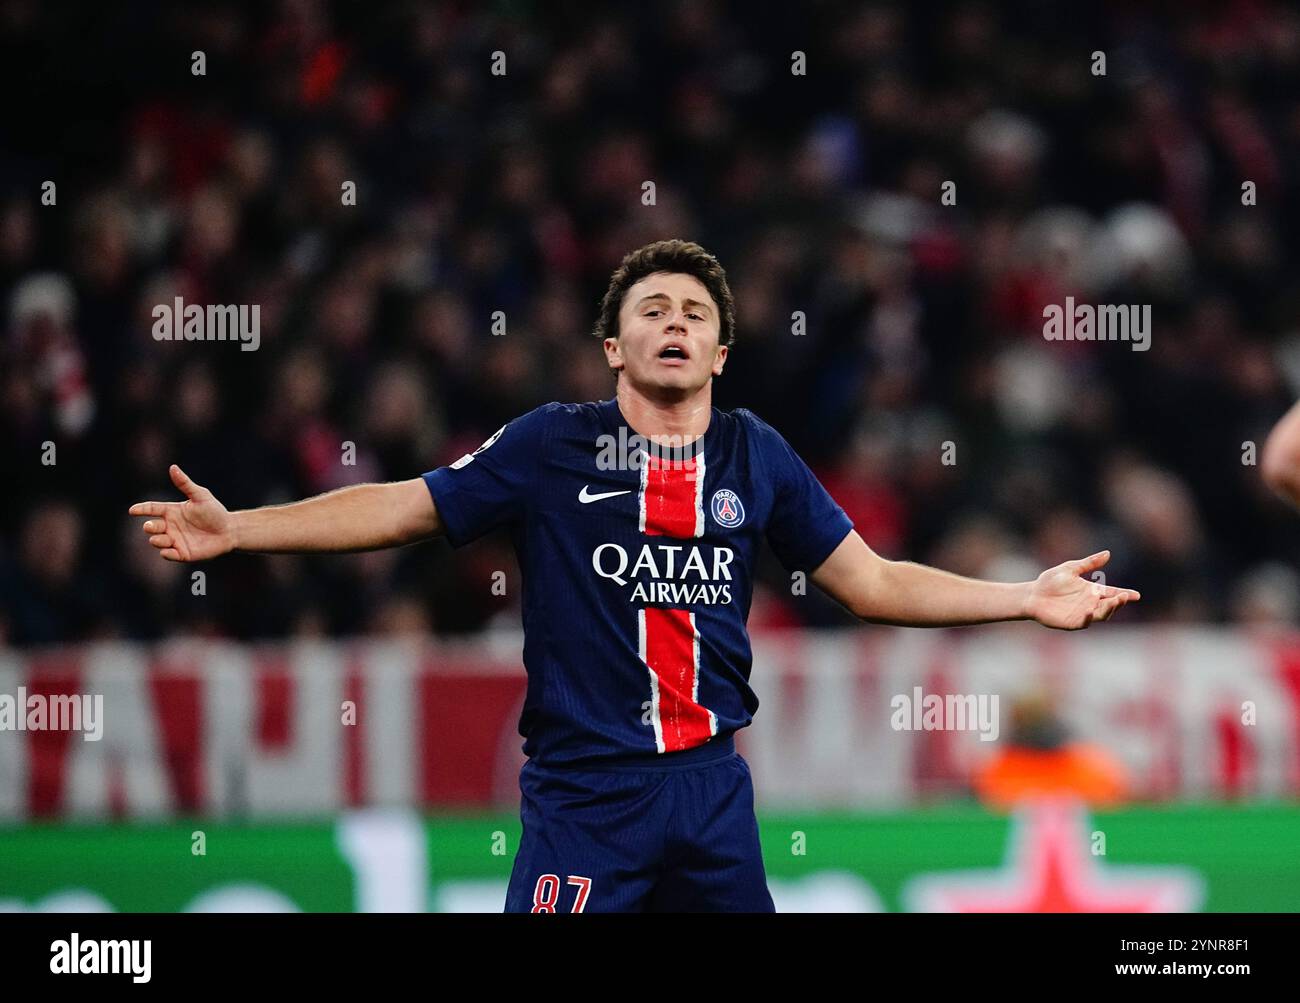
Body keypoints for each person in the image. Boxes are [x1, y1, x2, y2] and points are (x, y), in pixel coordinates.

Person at [129, 239, 1140, 912]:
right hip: (583, 794)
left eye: (695, 314)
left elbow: (871, 582)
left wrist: (1021, 597)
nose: (674, 323)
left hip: (709, 790)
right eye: (652, 309)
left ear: (721, 350)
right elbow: (405, 505)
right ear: (613, 344)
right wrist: (244, 530)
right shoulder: (549, 447)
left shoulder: (757, 456)